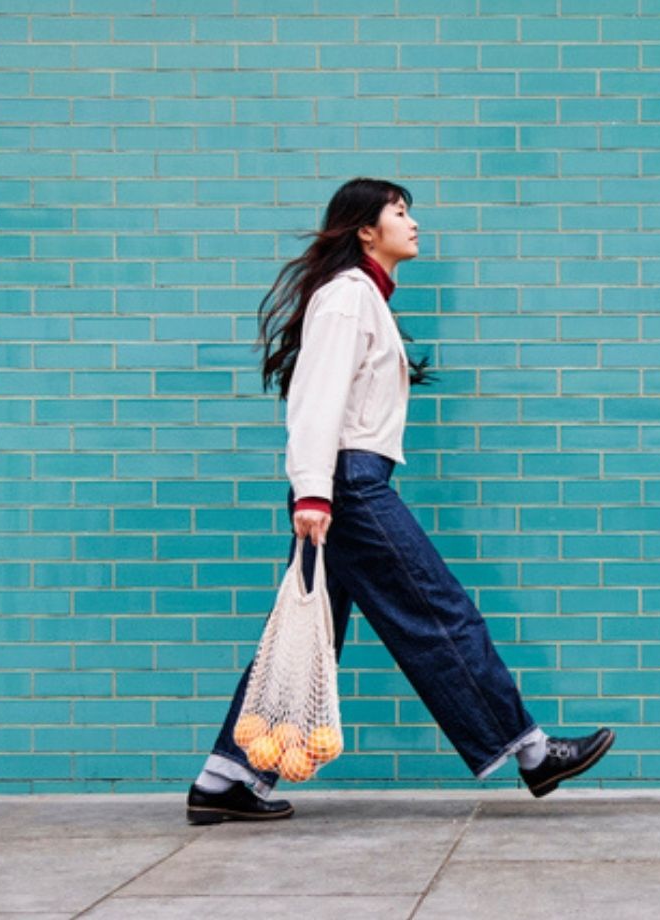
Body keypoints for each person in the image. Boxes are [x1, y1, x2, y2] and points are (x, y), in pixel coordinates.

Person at [186, 177, 614, 824]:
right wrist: (314, 492)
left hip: (345, 485)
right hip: (347, 488)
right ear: (367, 230)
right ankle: (532, 752)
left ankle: (225, 779)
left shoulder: (365, 298)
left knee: (309, 637)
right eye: (399, 212)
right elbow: (315, 401)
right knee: (438, 611)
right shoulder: (347, 297)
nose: (413, 223)